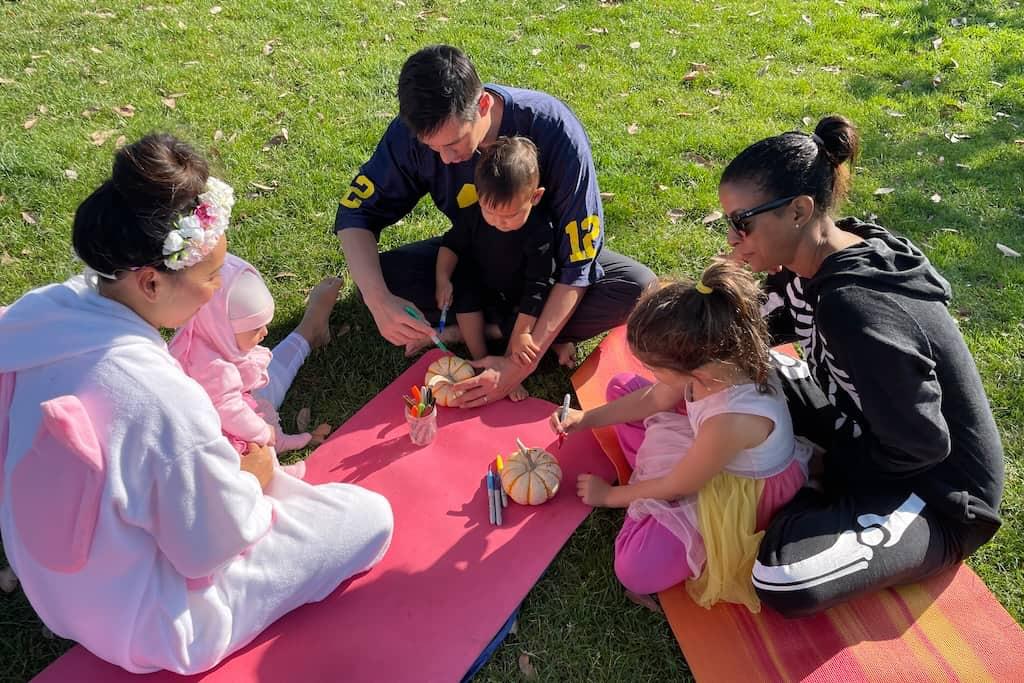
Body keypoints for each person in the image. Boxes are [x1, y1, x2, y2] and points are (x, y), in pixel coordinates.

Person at [0, 134, 393, 674]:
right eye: (210, 277)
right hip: (146, 623)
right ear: (150, 281)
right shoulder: (157, 398)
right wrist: (252, 476)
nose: (216, 290)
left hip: (53, 586)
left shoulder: (39, 313)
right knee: (369, 517)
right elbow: (212, 546)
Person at [716, 115, 1004, 617]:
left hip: (938, 491)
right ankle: (819, 471)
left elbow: (924, 443)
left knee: (782, 578)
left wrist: (830, 464)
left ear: (799, 211)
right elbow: (746, 333)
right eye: (730, 225)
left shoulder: (855, 309)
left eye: (743, 223)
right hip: (865, 421)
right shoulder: (810, 261)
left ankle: (812, 486)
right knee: (729, 371)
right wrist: (706, 308)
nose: (734, 240)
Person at [334, 44, 656, 407]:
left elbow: (578, 264)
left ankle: (488, 330)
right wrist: (379, 302)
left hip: (541, 270)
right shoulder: (410, 135)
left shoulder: (554, 129)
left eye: (455, 142)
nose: (446, 158)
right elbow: (355, 214)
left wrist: (518, 368)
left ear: (483, 105)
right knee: (374, 283)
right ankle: (506, 328)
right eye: (432, 147)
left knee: (636, 290)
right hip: (475, 258)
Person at [552, 261, 809, 609]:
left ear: (695, 369)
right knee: (620, 387)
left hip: (739, 490)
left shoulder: (730, 419)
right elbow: (656, 397)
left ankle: (649, 503)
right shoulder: (715, 362)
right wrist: (586, 419)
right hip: (706, 451)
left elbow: (678, 486)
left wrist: (609, 496)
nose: (648, 373)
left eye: (654, 368)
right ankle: (647, 487)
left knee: (633, 569)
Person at [168, 252, 340, 479]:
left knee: (261, 403)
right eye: (255, 329)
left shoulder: (205, 334)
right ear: (223, 329)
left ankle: (310, 331)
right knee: (255, 436)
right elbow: (231, 411)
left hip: (221, 415)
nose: (265, 333)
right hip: (216, 435)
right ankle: (276, 472)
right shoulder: (213, 368)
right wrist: (260, 431)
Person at [431, 136, 555, 401]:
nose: (499, 222)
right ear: (479, 196)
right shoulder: (475, 214)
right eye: (490, 212)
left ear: (535, 197)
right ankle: (480, 359)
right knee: (464, 289)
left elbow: (537, 288)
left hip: (517, 299)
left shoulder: (540, 233)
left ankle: (503, 364)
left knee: (530, 332)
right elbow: (450, 244)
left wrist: (522, 333)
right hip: (484, 287)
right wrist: (443, 279)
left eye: (510, 215)